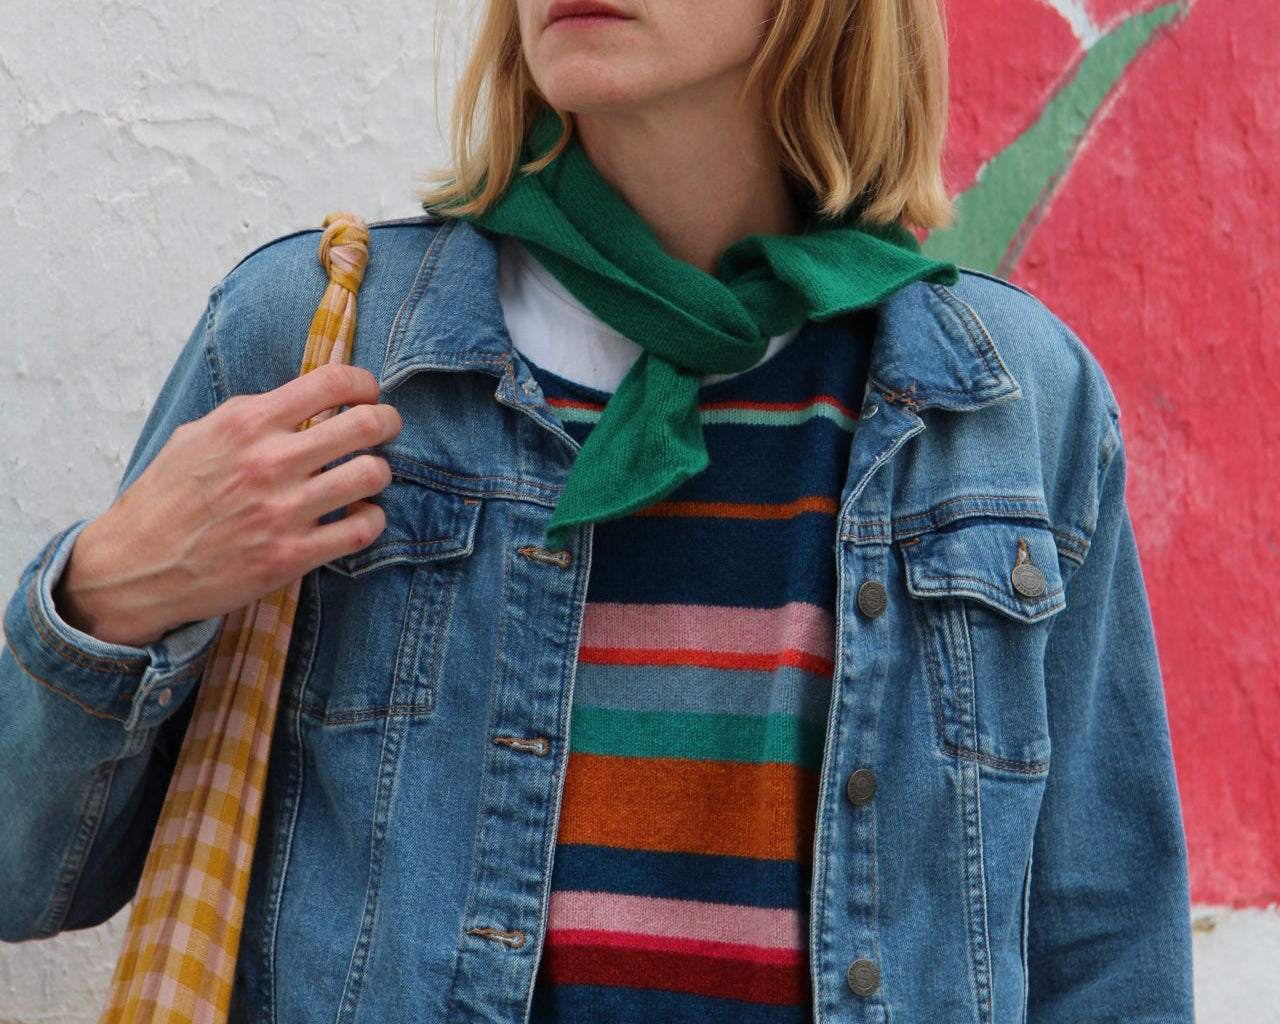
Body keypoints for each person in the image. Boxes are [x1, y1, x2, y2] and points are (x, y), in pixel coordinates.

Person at [0, 0, 1194, 1021]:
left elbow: (1106, 949)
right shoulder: (327, 345)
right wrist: (109, 591)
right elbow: (21, 873)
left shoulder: (1008, 405)